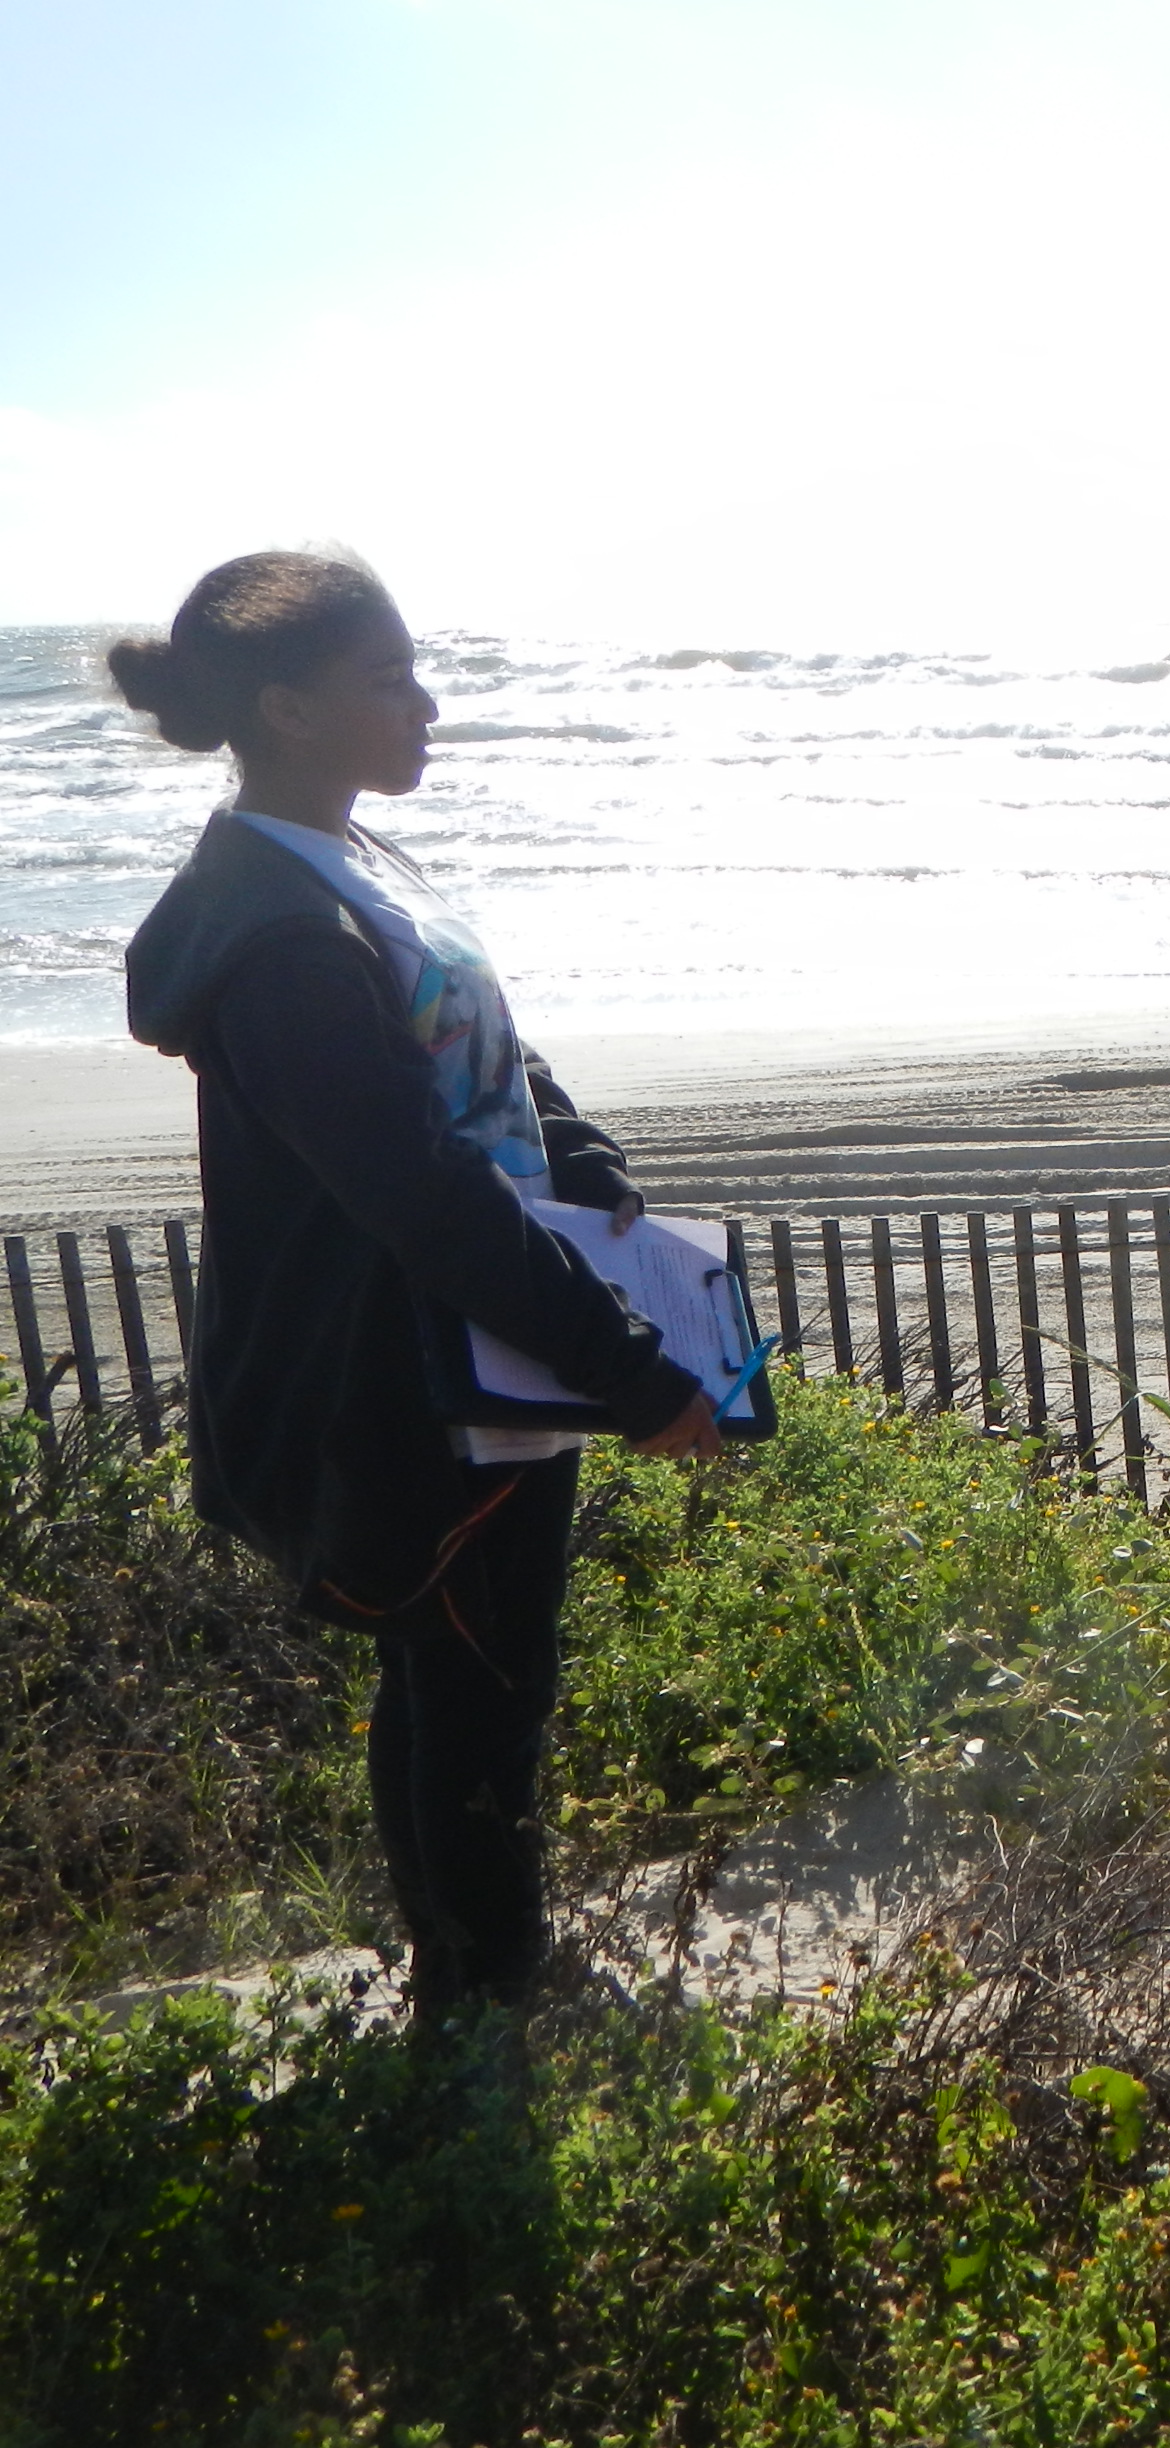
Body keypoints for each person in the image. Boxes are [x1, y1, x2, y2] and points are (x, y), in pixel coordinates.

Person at [117, 551, 719, 2022]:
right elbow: (420, 1198)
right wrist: (631, 1369)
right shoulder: (279, 942)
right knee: (470, 1700)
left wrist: (571, 1141)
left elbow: (467, 1046)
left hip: (483, 1365)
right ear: (289, 707)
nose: (427, 705)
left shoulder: (352, 862)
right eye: (389, 680)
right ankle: (484, 2005)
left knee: (480, 1685)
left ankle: (484, 1962)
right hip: (417, 1383)